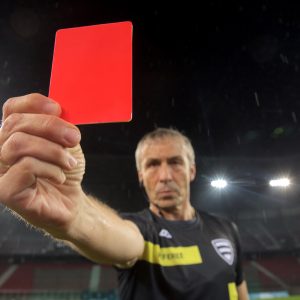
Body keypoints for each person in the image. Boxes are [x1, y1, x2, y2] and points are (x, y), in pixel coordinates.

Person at [0, 93, 249, 300]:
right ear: (140, 175)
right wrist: (76, 214)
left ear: (192, 170)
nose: (164, 176)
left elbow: (240, 292)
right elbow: (122, 240)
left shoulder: (227, 230)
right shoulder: (142, 231)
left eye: (175, 162)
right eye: (152, 165)